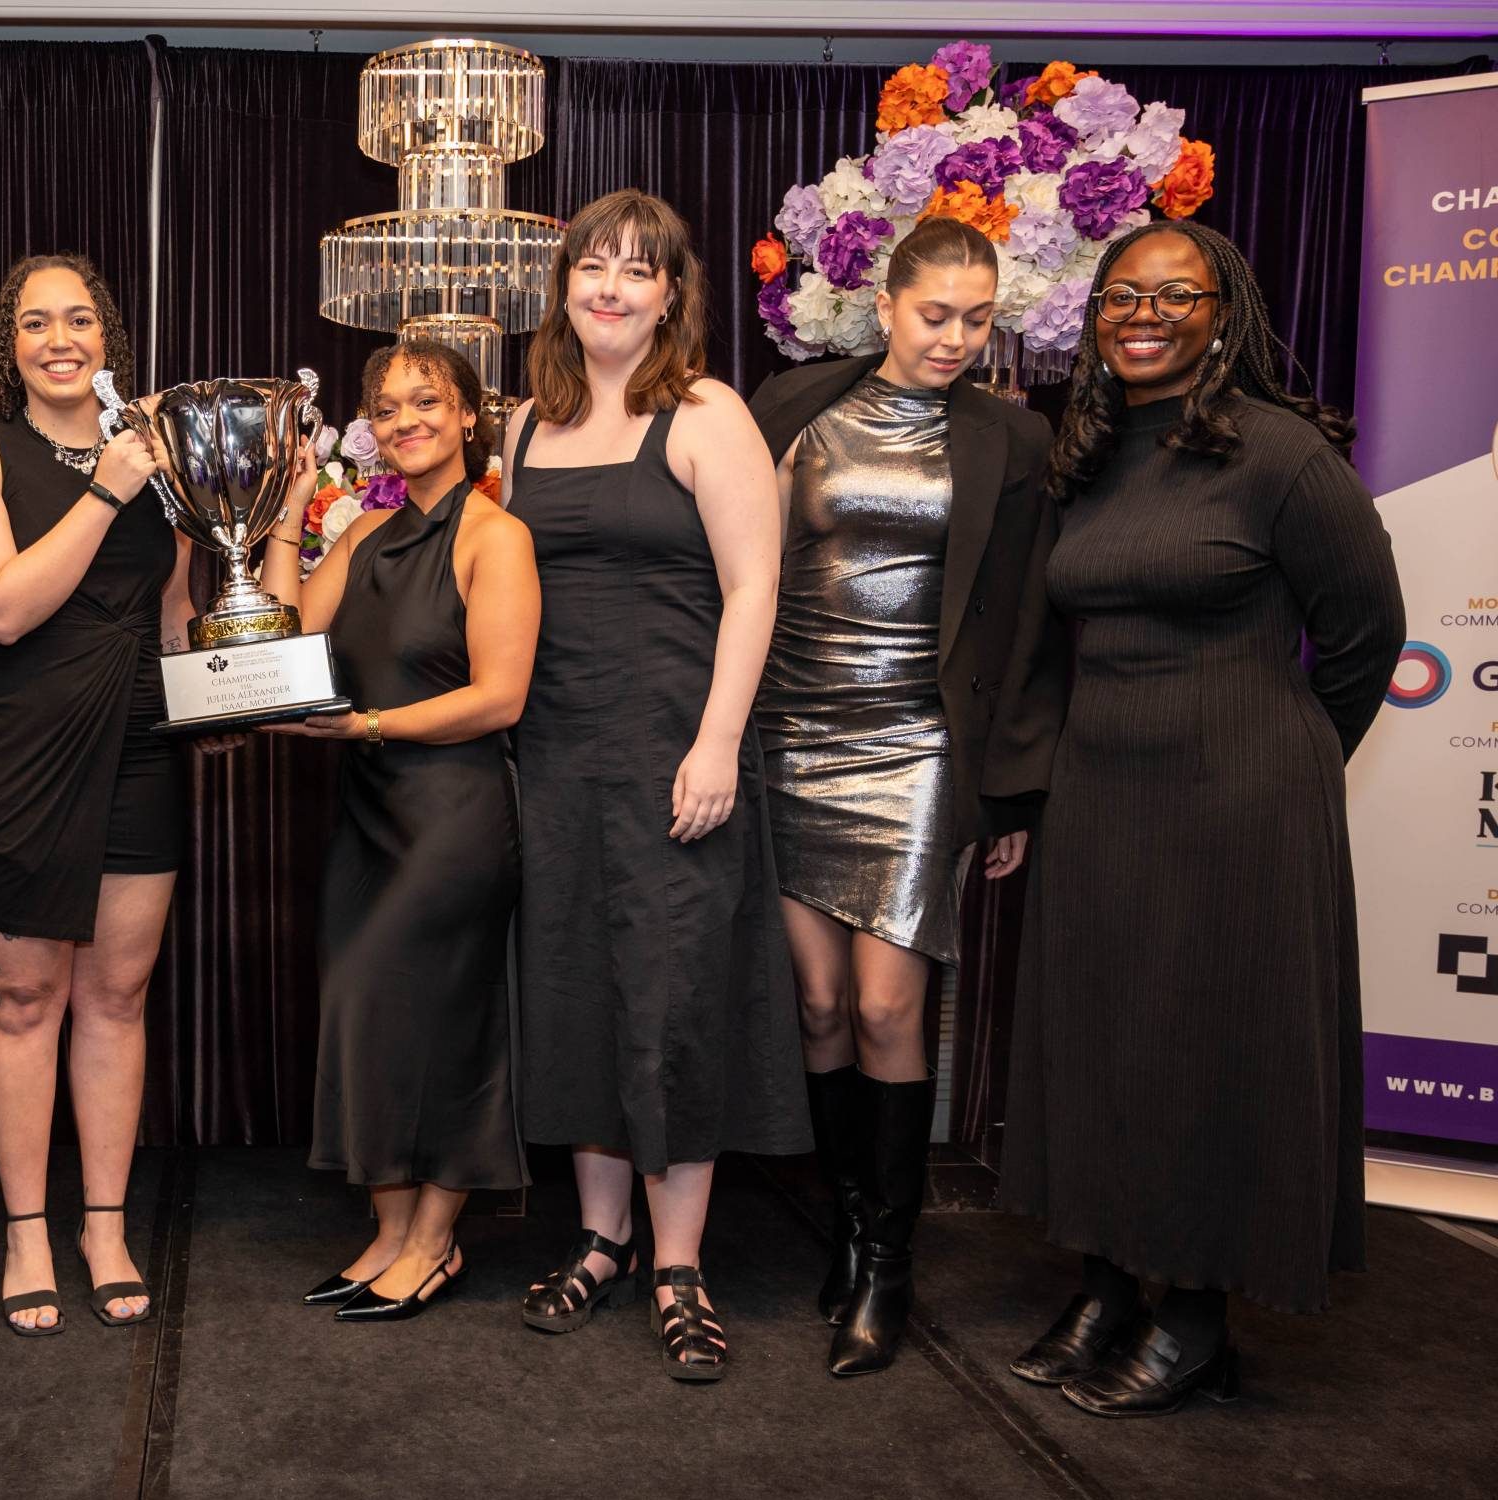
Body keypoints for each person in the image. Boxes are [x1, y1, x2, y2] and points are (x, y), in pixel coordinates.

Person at [1001, 220, 1404, 1416]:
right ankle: (1111, 1278)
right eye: (1123, 296)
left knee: (1209, 1050)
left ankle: (1195, 1312)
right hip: (1103, 790)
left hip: (1237, 801)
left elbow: (1366, 637)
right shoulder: (1087, 450)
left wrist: (1279, 755)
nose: (1145, 316)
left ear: (1221, 314)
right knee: (1109, 1043)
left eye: (1175, 297)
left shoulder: (1280, 455)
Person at [746, 218, 1063, 1376]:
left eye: (980, 320)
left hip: (921, 744)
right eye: (938, 314)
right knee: (820, 1007)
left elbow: (1026, 621)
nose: (958, 339)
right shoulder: (790, 405)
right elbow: (735, 564)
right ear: (887, 305)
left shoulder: (1014, 437)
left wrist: (1010, 791)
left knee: (887, 1010)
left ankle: (888, 1263)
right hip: (790, 728)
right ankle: (845, 1227)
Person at [502, 189, 810, 1382]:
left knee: (673, 997)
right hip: (556, 756)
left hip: (678, 756)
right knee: (577, 988)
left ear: (674, 294)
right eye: (593, 268)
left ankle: (679, 1266)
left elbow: (754, 589)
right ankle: (600, 1241)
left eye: (639, 271)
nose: (612, 288)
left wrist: (719, 742)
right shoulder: (526, 424)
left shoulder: (706, 413)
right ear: (566, 285)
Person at [0, 254, 194, 1336]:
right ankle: (27, 1231)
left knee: (117, 1000)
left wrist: (231, 687)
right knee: (22, 1001)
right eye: (35, 322)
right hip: (18, 746)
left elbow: (177, 615)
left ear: (108, 336)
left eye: (78, 318)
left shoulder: (160, 453)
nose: (59, 339)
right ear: (11, 346)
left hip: (138, 742)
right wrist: (104, 491)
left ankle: (103, 1224)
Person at [256, 340, 540, 1322]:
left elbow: (500, 699)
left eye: (428, 400)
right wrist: (292, 506)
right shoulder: (366, 541)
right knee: (362, 1017)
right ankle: (386, 1233)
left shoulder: (494, 536)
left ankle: (434, 1243)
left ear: (470, 417)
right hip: (368, 820)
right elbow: (282, 642)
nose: (404, 418)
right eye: (386, 406)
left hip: (454, 818)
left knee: (446, 1031)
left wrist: (366, 725)